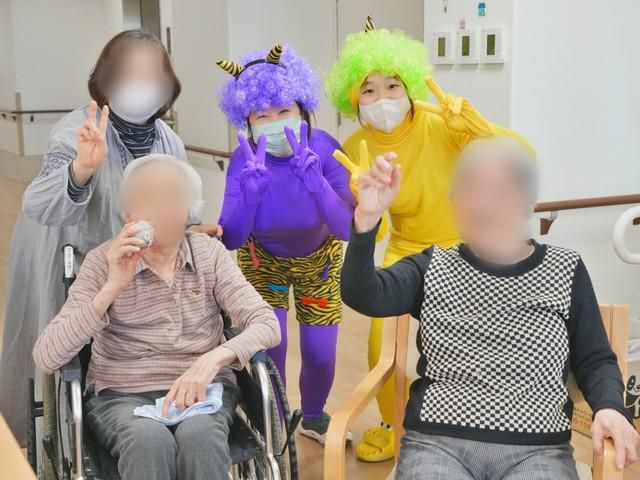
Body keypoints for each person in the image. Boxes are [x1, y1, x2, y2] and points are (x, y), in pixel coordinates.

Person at [341, 138, 640, 479]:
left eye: (500, 191)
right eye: (470, 188)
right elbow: (364, 294)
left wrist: (610, 408)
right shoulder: (432, 265)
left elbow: (595, 359)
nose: (483, 203)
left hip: (538, 450)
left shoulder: (565, 268)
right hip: (437, 444)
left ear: (528, 203)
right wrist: (366, 219)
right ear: (453, 202)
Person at [326, 16, 533, 461]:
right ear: (353, 99)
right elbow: (379, 232)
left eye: (393, 85)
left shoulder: (443, 122)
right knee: (381, 343)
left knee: (478, 341)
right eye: (368, 90)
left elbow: (523, 158)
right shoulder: (358, 145)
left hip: (469, 245)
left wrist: (479, 129)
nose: (383, 98)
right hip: (408, 249)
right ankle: (393, 423)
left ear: (410, 86)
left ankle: (482, 424)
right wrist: (364, 203)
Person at [0, 29, 217, 444]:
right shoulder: (75, 131)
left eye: (152, 75)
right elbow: (40, 204)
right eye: (130, 74)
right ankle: (57, 437)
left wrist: (189, 228)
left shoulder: (168, 140)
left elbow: (179, 201)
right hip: (72, 256)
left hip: (140, 267)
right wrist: (81, 170)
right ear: (107, 78)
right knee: (67, 346)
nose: (142, 84)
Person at [32, 154, 280, 480]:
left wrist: (214, 359)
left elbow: (267, 323)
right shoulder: (102, 262)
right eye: (148, 197)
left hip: (202, 391)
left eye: (172, 196)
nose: (161, 207)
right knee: (149, 441)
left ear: (188, 210)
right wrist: (111, 287)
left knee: (200, 438)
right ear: (129, 213)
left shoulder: (208, 254)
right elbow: (47, 355)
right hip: (122, 394)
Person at [217, 45, 355, 443]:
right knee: (270, 348)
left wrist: (318, 185)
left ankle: (312, 416)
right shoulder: (244, 160)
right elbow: (232, 237)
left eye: (283, 110)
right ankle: (274, 423)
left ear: (302, 109)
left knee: (321, 353)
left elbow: (347, 229)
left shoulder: (326, 149)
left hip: (320, 262)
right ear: (247, 121)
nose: (274, 122)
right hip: (262, 261)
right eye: (261, 115)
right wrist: (250, 196)